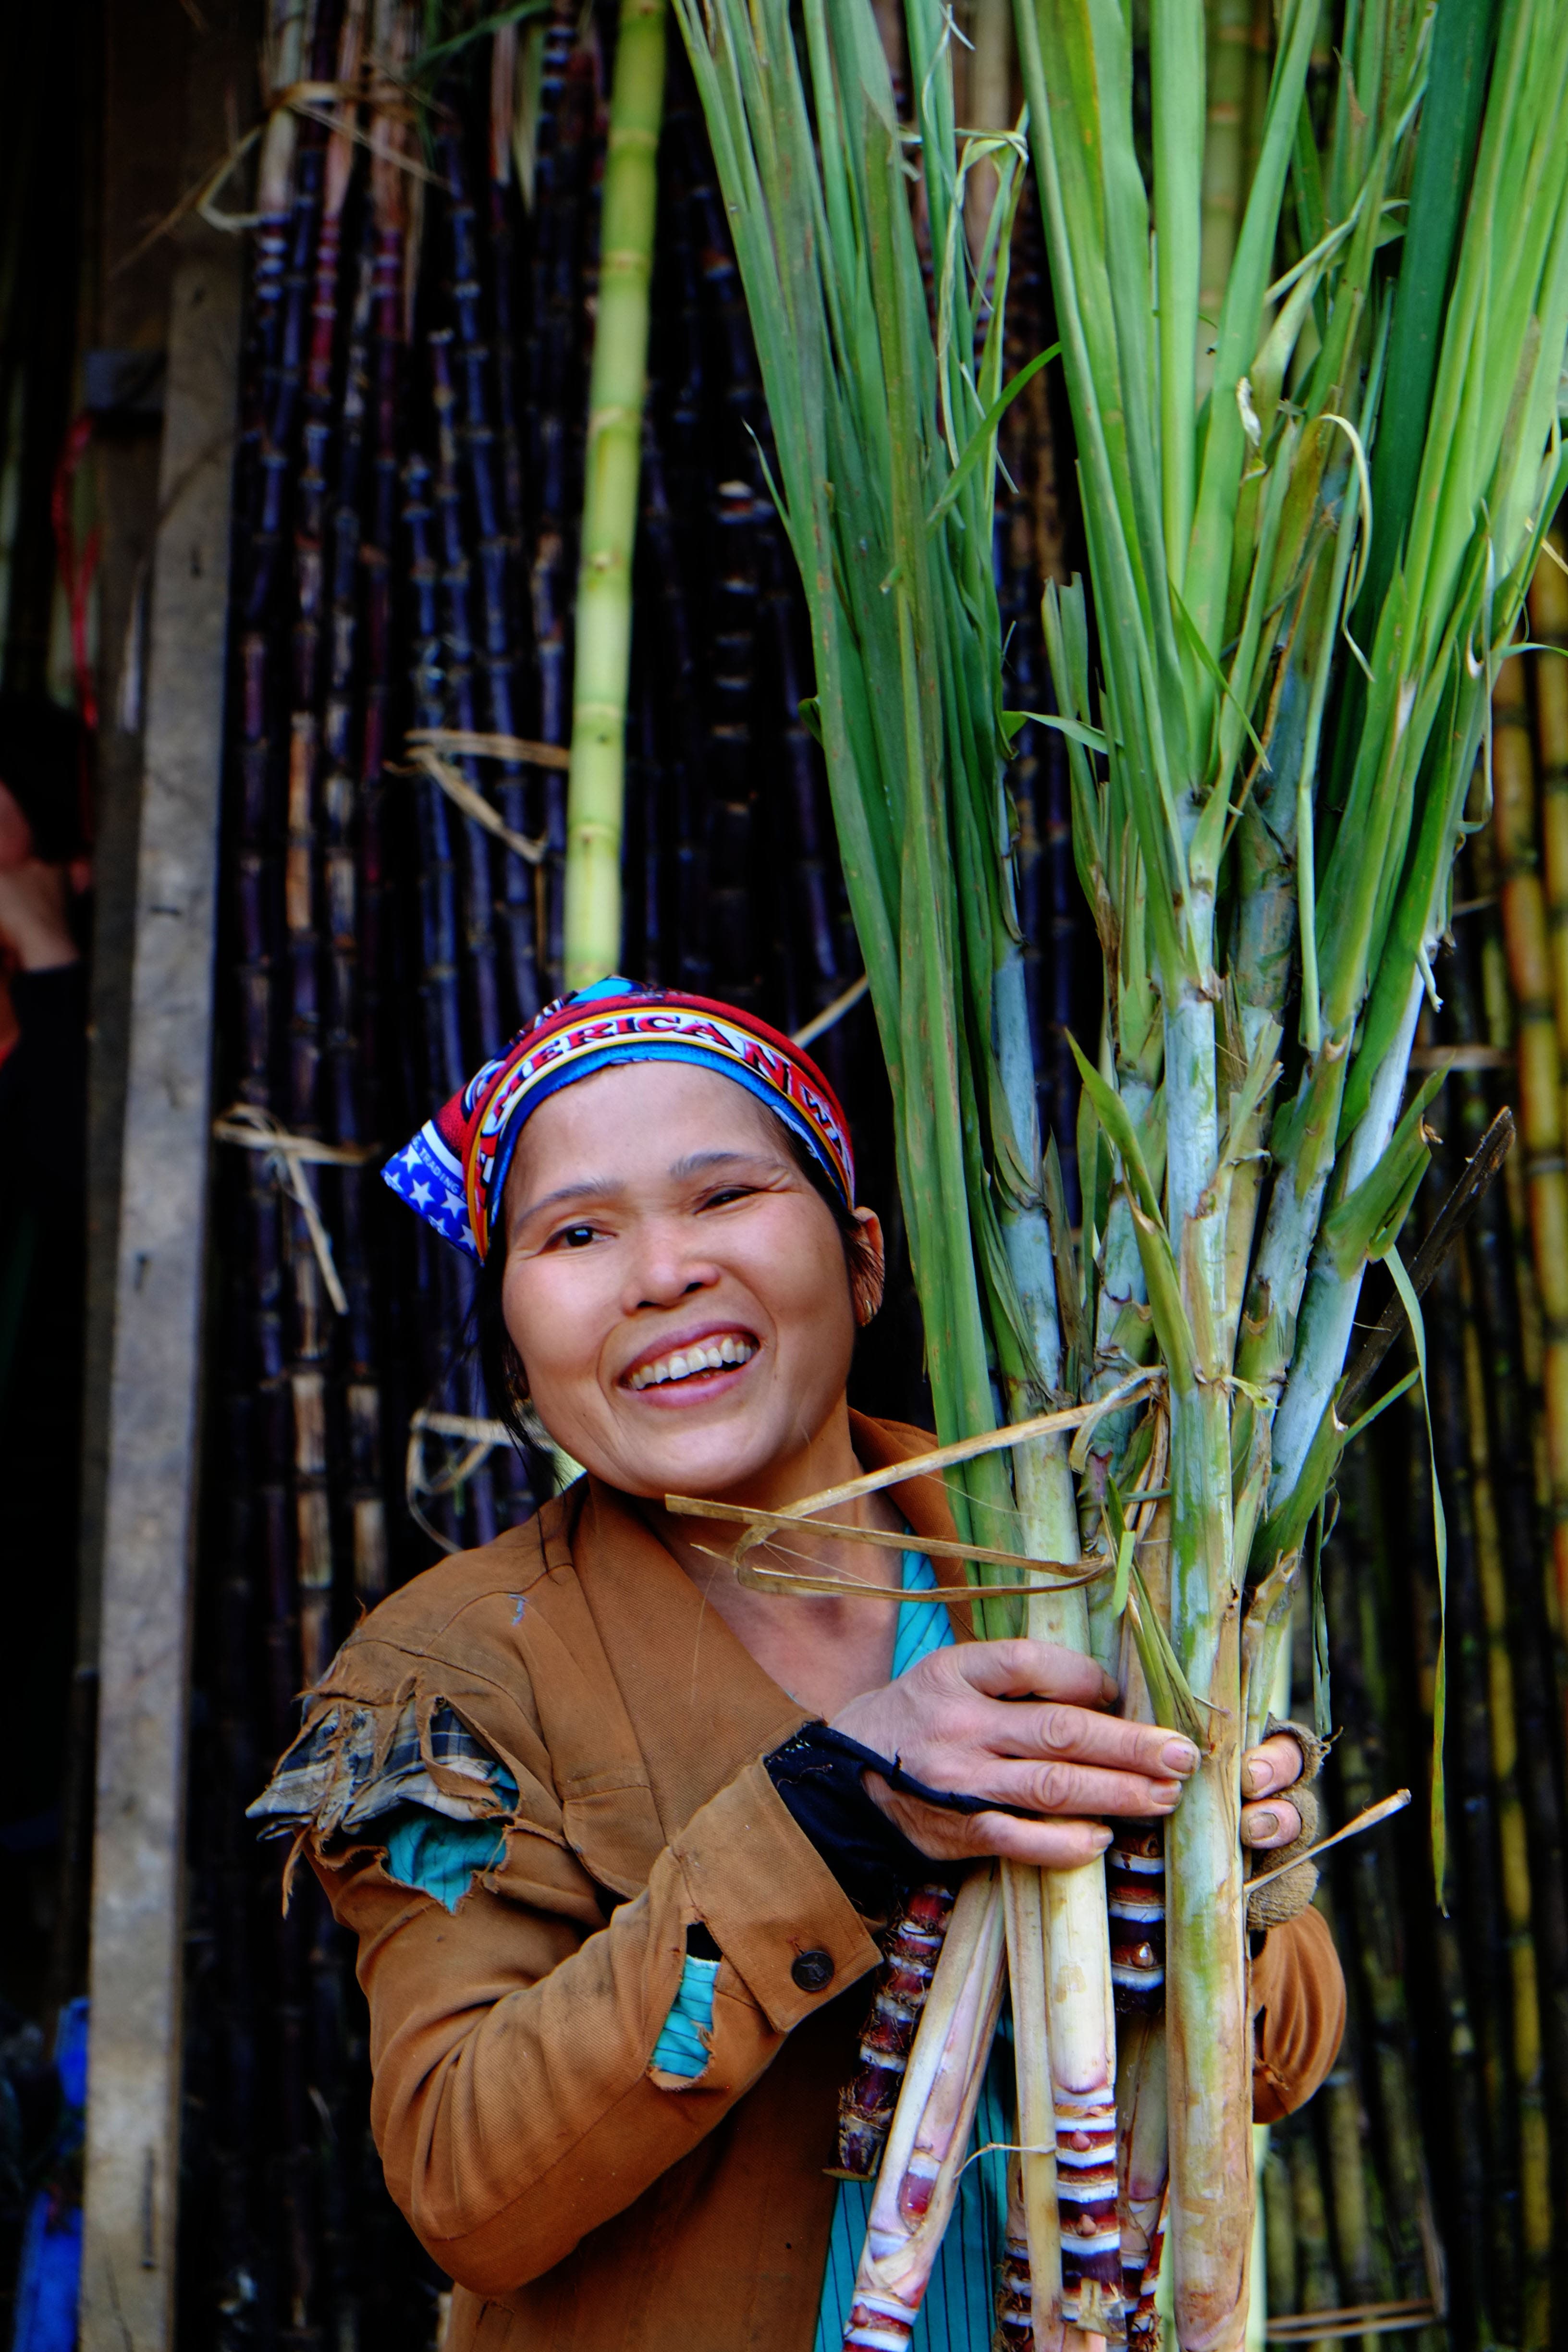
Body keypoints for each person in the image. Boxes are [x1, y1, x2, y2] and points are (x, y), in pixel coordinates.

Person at [251, 979, 1343, 2352]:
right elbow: (466, 2183)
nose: (662, 1273)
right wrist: (837, 1813)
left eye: (723, 1198)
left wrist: (1222, 1879)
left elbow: (1283, 2060)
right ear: (521, 1366)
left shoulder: (1060, 1565)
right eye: (577, 1232)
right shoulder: (442, 1677)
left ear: (865, 1260)